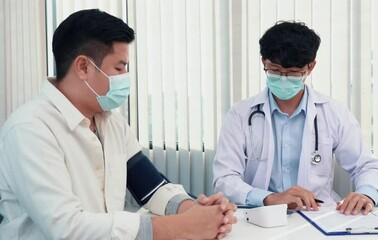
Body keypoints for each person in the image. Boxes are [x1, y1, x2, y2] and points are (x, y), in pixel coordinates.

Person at [0, 9, 236, 239]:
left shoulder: (111, 121)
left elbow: (149, 186)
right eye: (119, 67)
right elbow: (66, 227)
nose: (125, 76)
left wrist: (197, 210)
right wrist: (182, 228)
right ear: (83, 67)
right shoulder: (30, 129)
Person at [213, 21, 378, 216]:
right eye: (275, 71)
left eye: (293, 73)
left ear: (310, 67)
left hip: (317, 214)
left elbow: (366, 165)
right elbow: (224, 178)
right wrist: (268, 198)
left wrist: (366, 193)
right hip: (260, 214)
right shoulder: (240, 114)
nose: (283, 78)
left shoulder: (333, 112)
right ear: (263, 62)